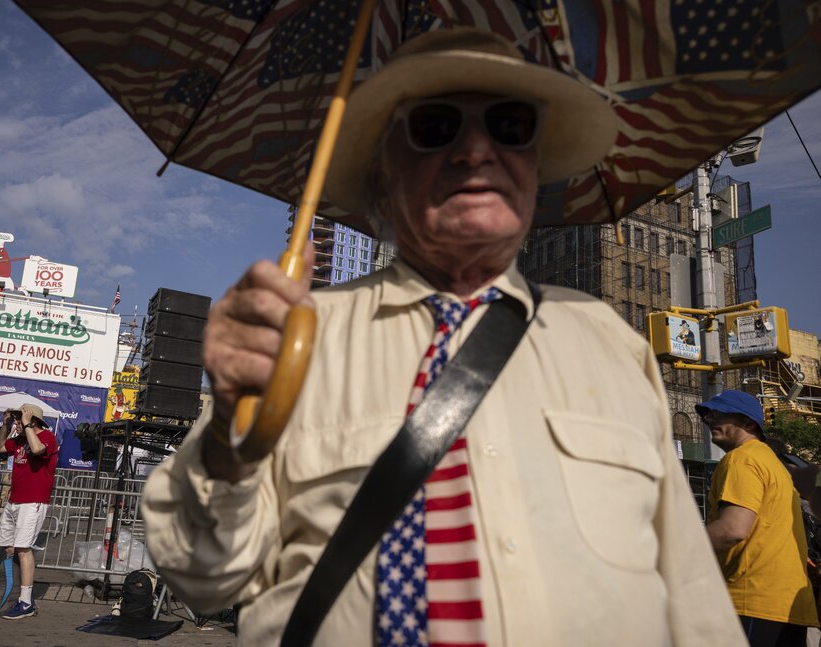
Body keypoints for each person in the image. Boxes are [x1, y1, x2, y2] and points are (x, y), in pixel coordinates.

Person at [141, 28, 743, 646]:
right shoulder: (294, 343)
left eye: (510, 125)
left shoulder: (611, 345)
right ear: (380, 175)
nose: (476, 150)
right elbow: (200, 575)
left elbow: (693, 600)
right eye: (435, 125)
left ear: (534, 169)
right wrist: (231, 438)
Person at [700, 390, 819, 645]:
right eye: (707, 414)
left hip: (750, 597)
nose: (709, 419)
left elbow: (733, 528)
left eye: (718, 413)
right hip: (789, 605)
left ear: (748, 423)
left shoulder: (741, 459)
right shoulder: (774, 465)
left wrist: (674, 549)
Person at [0, 403, 58, 620]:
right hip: (14, 500)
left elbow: (37, 450)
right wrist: (5, 427)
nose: (16, 420)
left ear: (31, 419)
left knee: (23, 549)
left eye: (19, 417)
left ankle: (26, 602)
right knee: (9, 548)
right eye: (15, 417)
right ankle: (8, 594)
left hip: (33, 501)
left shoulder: (47, 436)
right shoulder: (19, 438)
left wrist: (26, 426)